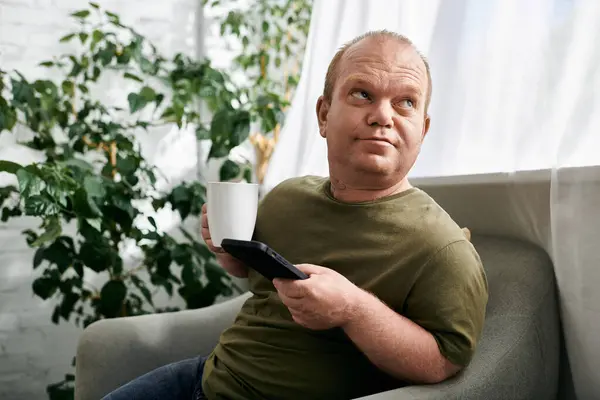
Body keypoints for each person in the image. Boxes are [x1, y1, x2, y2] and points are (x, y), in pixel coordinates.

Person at [103, 30, 488, 400]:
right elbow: (260, 281)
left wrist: (354, 309)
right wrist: (230, 253)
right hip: (203, 377)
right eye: (362, 94)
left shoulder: (444, 248)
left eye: (405, 102)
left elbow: (443, 363)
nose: (382, 116)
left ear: (422, 129)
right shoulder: (286, 198)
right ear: (323, 115)